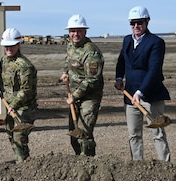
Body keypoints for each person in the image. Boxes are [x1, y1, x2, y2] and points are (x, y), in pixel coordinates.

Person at [114, 6, 171, 161]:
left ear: (147, 21)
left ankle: (166, 169)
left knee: (157, 134)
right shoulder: (127, 40)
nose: (136, 26)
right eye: (132, 23)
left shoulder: (156, 42)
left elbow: (154, 71)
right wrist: (119, 77)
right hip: (129, 95)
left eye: (139, 22)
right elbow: (122, 61)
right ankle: (137, 167)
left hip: (151, 95)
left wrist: (140, 92)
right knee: (134, 134)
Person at [60, 14, 104, 156]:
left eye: (79, 31)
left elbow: (92, 79)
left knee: (84, 134)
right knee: (74, 135)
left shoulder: (91, 52)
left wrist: (74, 95)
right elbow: (68, 61)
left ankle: (90, 163)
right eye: (72, 31)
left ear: (85, 31)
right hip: (74, 96)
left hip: (89, 97)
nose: (75, 34)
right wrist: (65, 73)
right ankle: (80, 162)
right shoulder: (70, 46)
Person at [0, 28, 37, 163]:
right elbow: (1, 76)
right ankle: (25, 162)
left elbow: (26, 90)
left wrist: (14, 105)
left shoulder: (25, 66)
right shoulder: (4, 60)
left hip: (24, 109)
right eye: (6, 46)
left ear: (18, 45)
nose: (9, 49)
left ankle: (22, 167)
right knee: (12, 137)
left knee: (19, 138)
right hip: (10, 107)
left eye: (11, 46)